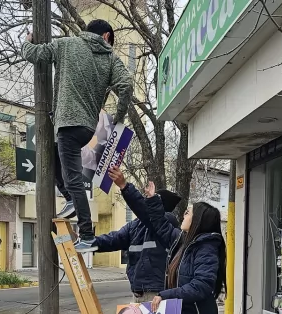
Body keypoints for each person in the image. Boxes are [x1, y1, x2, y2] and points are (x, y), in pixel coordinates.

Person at [21, 19, 133, 252]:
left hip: (67, 123)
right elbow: (126, 85)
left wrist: (26, 42)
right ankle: (70, 198)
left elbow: (35, 54)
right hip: (86, 128)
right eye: (110, 41)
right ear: (105, 36)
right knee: (51, 157)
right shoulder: (110, 58)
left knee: (72, 178)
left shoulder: (66, 45)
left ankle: (87, 235)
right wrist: (119, 119)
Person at [108, 167, 226, 314]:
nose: (183, 216)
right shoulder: (182, 241)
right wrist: (149, 199)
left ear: (198, 220)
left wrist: (166, 295)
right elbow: (158, 223)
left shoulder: (206, 248)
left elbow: (201, 286)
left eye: (187, 213)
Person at [96, 166, 181, 303]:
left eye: (151, 200)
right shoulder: (135, 225)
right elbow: (113, 239)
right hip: (137, 293)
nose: (147, 201)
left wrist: (124, 186)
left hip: (157, 293)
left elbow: (146, 213)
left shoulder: (168, 221)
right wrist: (88, 242)